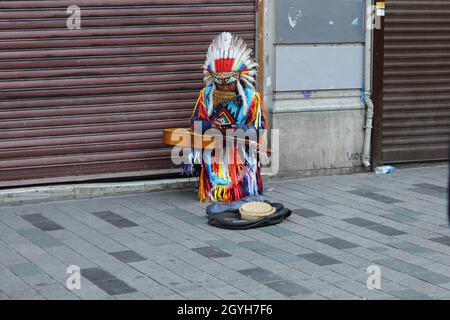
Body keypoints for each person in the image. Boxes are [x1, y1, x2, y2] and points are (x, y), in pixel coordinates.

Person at [183, 32, 269, 203]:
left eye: (228, 82)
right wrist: (209, 125)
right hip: (214, 148)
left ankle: (240, 189)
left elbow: (260, 130)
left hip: (239, 150)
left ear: (238, 79)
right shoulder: (206, 94)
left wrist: (238, 130)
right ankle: (213, 188)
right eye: (219, 82)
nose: (224, 86)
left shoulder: (251, 98)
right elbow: (194, 123)